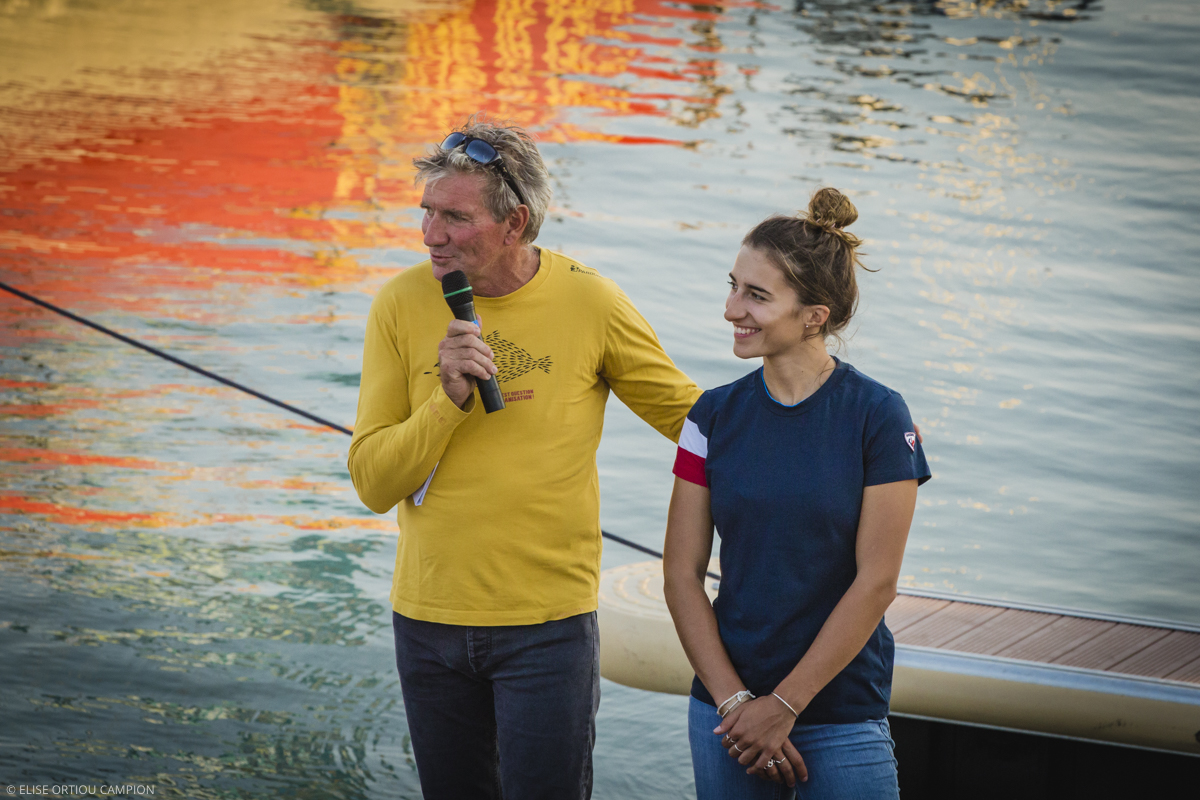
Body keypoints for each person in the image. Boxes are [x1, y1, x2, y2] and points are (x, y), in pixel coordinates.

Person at [346, 118, 700, 799]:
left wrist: (821, 417)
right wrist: (447, 400)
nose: (431, 234)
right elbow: (372, 482)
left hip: (548, 630)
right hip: (429, 623)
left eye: (456, 217)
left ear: (516, 223)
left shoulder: (590, 300)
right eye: (427, 211)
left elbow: (690, 420)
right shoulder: (399, 303)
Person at [662, 188, 931, 799]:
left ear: (815, 315)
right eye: (733, 286)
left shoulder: (878, 417)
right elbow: (680, 574)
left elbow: (877, 581)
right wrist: (737, 704)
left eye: (756, 296)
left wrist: (784, 705)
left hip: (841, 713)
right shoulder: (711, 417)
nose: (732, 309)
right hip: (726, 714)